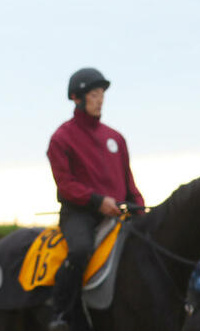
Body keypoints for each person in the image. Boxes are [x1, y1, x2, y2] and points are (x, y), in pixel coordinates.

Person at [46, 67, 144, 331]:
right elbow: (66, 186)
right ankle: (61, 313)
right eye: (93, 93)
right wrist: (98, 201)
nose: (100, 99)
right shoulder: (61, 138)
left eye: (102, 94)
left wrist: (143, 212)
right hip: (80, 214)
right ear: (77, 97)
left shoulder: (116, 138)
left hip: (120, 211)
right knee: (79, 250)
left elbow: (129, 184)